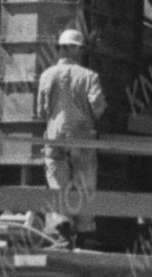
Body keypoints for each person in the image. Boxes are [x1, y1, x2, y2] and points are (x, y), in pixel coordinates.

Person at [33, 18, 109, 233]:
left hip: (54, 137)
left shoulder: (46, 75)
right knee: (85, 186)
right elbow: (98, 106)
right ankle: (84, 229)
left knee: (57, 182)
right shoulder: (89, 76)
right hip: (83, 137)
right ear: (79, 50)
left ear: (60, 49)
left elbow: (40, 112)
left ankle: (61, 223)